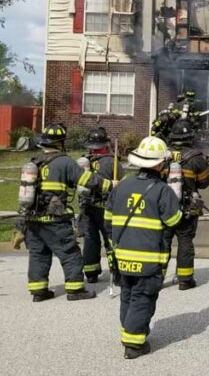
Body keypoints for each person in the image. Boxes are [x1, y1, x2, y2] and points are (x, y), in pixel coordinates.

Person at [106, 136, 183, 359]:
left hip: (122, 255)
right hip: (148, 258)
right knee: (143, 297)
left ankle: (131, 332)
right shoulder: (161, 190)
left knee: (128, 295)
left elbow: (107, 219)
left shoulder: (121, 186)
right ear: (159, 164)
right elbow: (173, 221)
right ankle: (133, 344)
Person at [22, 123, 107, 302]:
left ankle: (39, 291)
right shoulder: (65, 162)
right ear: (60, 143)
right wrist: (109, 185)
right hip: (55, 218)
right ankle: (75, 290)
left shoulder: (35, 162)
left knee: (39, 253)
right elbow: (87, 180)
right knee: (70, 252)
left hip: (33, 219)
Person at [166, 120, 209, 290]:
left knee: (163, 242)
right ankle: (185, 280)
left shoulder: (163, 154)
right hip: (187, 207)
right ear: (189, 137)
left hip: (164, 207)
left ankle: (157, 277)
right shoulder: (196, 158)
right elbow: (204, 182)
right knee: (185, 241)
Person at [79, 126, 120, 284]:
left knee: (90, 240)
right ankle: (116, 273)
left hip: (88, 207)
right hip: (107, 208)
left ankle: (91, 273)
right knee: (111, 240)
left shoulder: (84, 162)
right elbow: (121, 184)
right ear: (105, 145)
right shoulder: (112, 162)